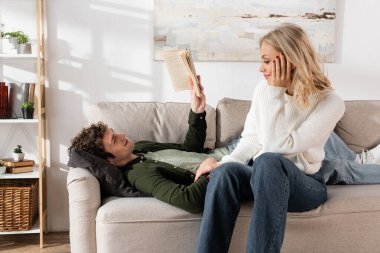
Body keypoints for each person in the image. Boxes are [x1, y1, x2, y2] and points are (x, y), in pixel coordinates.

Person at [194, 23, 346, 253]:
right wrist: (221, 164)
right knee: (225, 172)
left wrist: (277, 93)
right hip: (263, 175)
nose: (260, 68)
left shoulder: (330, 102)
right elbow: (252, 139)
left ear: (289, 60)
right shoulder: (263, 90)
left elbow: (279, 148)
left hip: (306, 185)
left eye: (266, 61)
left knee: (268, 160)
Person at [67, 79, 231, 214]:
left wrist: (197, 112)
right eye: (115, 140)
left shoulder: (141, 147)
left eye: (115, 133)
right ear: (109, 161)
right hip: (227, 168)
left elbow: (188, 149)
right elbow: (189, 200)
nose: (122, 135)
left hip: (227, 151)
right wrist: (208, 171)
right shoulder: (139, 175)